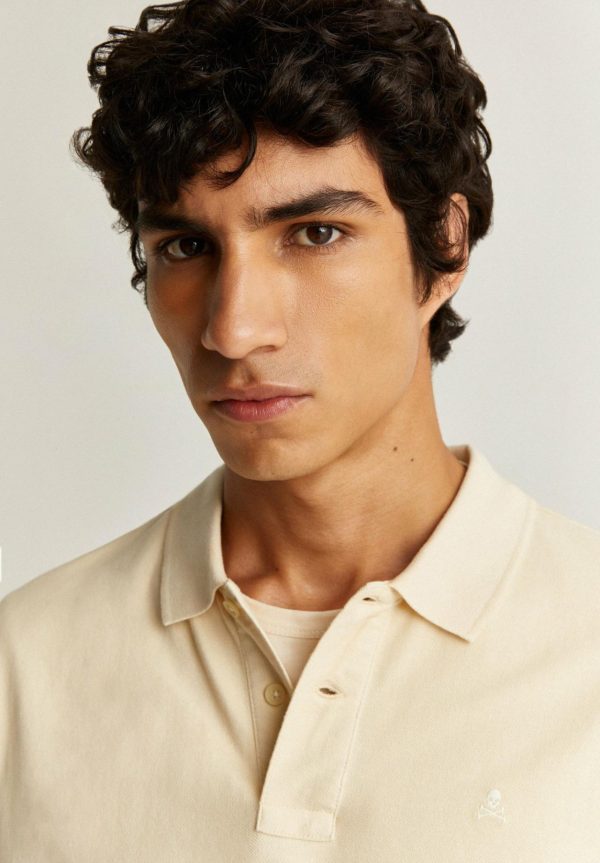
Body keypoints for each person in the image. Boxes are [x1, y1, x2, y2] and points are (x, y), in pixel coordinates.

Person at [1, 0, 599, 859]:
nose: (234, 329)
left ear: (443, 245)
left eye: (315, 233)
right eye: (185, 247)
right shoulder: (25, 668)